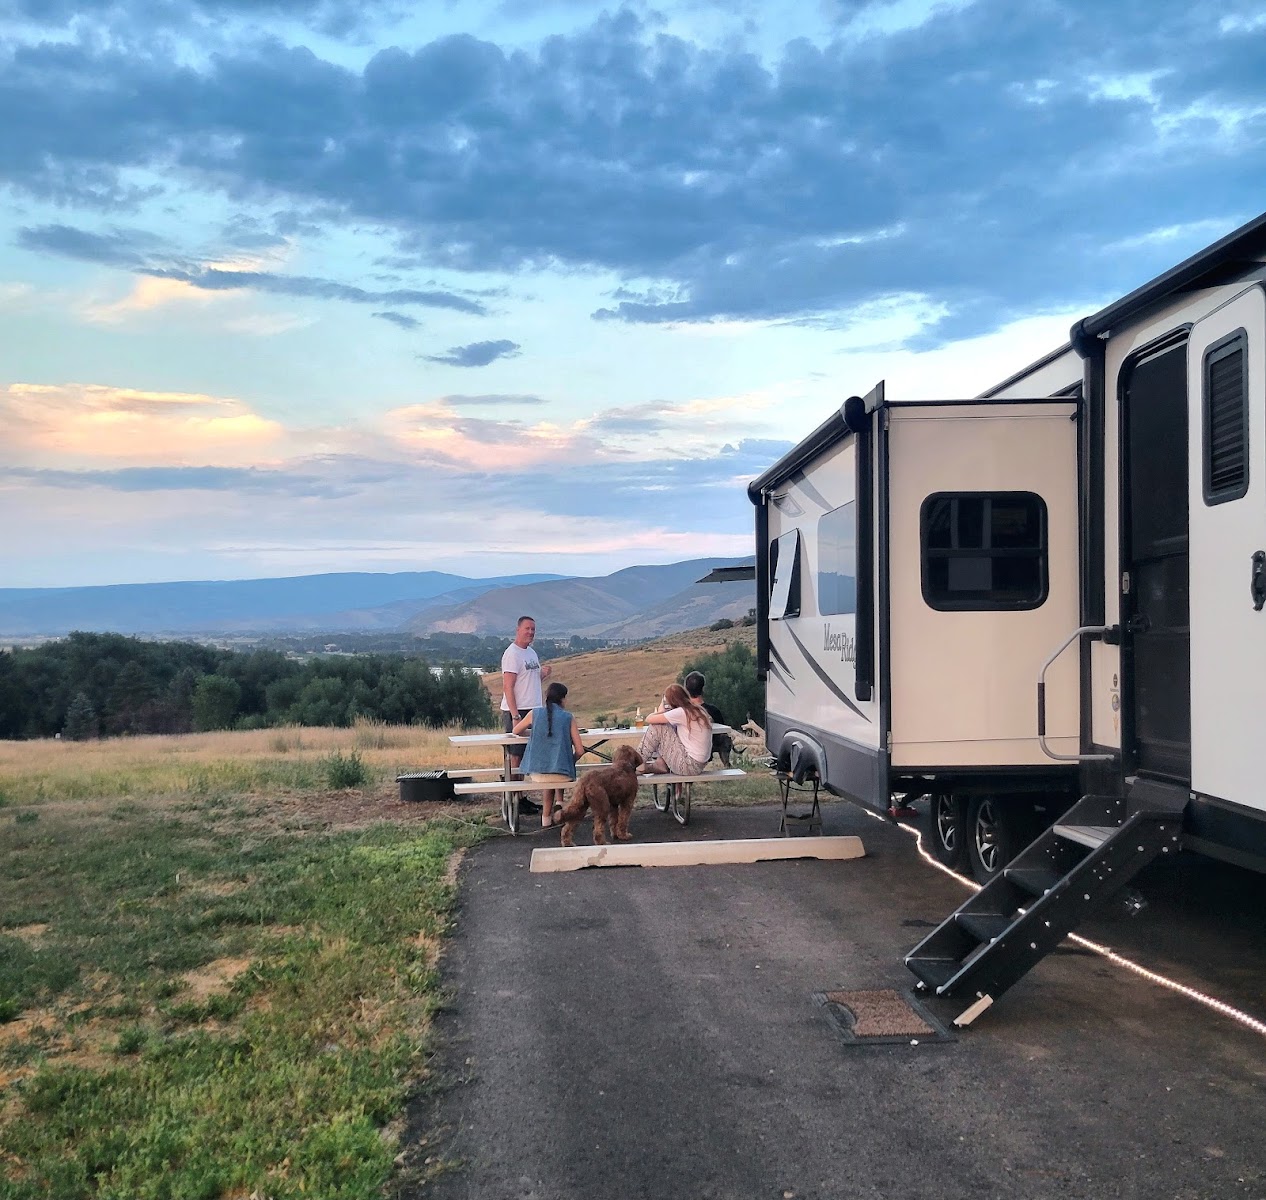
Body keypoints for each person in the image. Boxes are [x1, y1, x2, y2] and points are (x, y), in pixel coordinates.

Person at [513, 681, 585, 829]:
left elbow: (516, 731)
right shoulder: (568, 717)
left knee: (549, 772)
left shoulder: (534, 713)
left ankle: (546, 819)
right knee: (559, 767)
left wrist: (533, 732)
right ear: (562, 699)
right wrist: (570, 761)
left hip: (537, 773)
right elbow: (580, 750)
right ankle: (559, 804)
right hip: (562, 774)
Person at [501, 615, 552, 813]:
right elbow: (508, 686)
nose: (530, 632)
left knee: (524, 756)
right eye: (527, 629)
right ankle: (513, 798)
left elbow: (529, 680)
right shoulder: (512, 654)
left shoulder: (531, 653)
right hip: (518, 710)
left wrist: (542, 674)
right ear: (518, 630)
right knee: (515, 755)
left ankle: (521, 796)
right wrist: (515, 715)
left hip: (534, 709)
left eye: (533, 630)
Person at [638, 682, 713, 776]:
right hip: (698, 765)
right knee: (667, 728)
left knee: (657, 727)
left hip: (689, 765)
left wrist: (661, 710)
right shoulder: (698, 710)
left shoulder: (682, 712)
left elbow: (649, 719)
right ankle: (659, 763)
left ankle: (637, 762)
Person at [683, 670, 733, 767]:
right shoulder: (714, 711)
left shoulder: (682, 711)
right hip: (709, 748)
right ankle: (727, 765)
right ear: (703, 689)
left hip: (689, 750)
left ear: (686, 690)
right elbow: (722, 731)